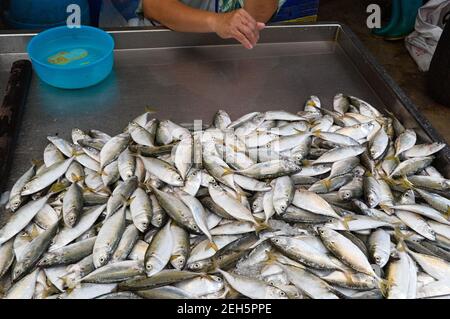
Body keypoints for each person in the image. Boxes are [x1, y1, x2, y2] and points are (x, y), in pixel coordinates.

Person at [99, 0, 286, 49]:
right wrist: (215, 21)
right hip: (157, 44)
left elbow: (257, 16)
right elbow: (154, 5)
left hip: (225, 52)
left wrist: (238, 23)